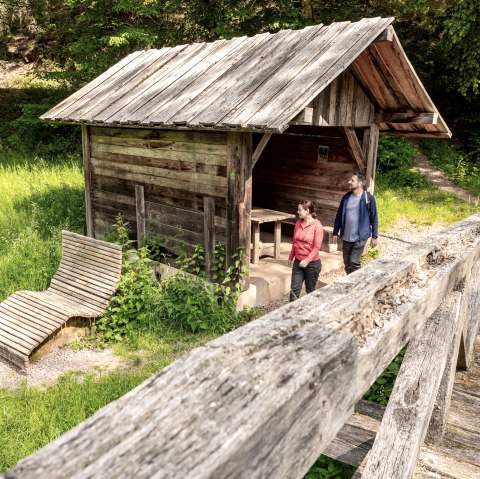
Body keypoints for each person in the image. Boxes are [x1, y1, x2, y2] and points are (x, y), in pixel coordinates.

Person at [332, 172, 378, 275]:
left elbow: (374, 218)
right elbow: (339, 215)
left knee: (354, 261)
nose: (349, 182)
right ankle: (350, 284)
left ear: (360, 183)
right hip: (346, 236)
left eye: (352, 180)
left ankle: (359, 284)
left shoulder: (369, 198)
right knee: (347, 263)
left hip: (360, 236)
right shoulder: (346, 197)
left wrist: (375, 236)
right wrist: (335, 232)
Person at [288, 200, 323, 301]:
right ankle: (291, 315)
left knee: (310, 291)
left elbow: (316, 247)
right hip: (298, 262)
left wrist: (307, 260)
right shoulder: (298, 223)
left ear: (307, 210)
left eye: (299, 210)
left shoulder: (317, 226)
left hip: (312, 265)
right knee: (294, 290)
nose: (297, 212)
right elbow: (295, 242)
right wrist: (291, 256)